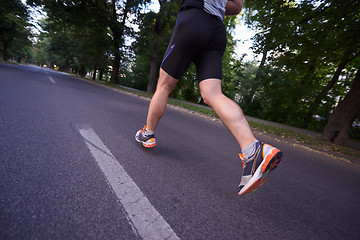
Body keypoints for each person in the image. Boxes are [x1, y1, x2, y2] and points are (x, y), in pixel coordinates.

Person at [136, 0, 283, 196]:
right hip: (216, 29)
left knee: (163, 86)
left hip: (194, 19)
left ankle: (148, 133)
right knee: (213, 93)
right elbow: (236, 7)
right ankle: (253, 150)